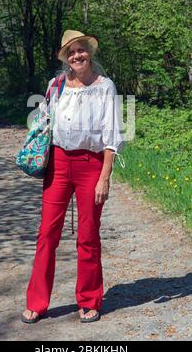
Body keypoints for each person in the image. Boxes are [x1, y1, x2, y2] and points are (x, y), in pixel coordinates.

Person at [21, 29, 125, 324]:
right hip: (58, 164)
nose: (77, 56)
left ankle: (89, 299)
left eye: (81, 50)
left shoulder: (105, 87)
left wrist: (105, 176)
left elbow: (112, 135)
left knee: (88, 235)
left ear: (89, 54)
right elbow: (42, 122)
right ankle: (37, 302)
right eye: (71, 52)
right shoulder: (56, 85)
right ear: (65, 58)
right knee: (47, 234)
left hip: (91, 166)